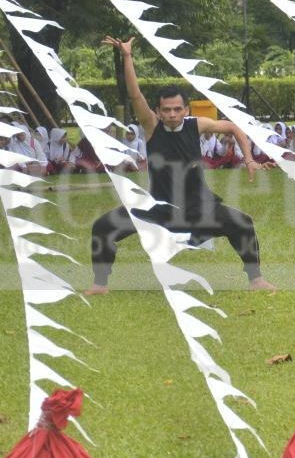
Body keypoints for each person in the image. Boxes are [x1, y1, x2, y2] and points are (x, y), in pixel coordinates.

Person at [88, 36, 274, 294]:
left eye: (177, 109)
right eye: (167, 109)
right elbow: (135, 94)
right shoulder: (152, 127)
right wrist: (127, 57)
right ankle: (100, 284)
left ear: (186, 109)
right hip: (159, 209)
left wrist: (250, 159)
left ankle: (256, 279)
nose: (172, 114)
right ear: (158, 111)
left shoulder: (196, 124)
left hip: (198, 207)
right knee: (103, 227)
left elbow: (231, 126)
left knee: (241, 223)